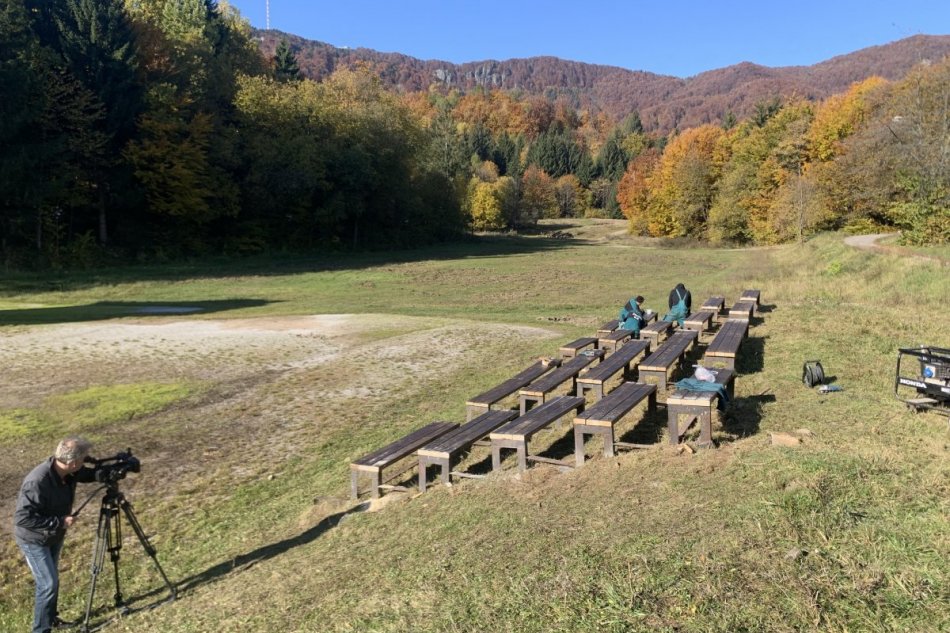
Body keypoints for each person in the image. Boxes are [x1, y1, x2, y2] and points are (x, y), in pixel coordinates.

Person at [14, 437, 97, 633]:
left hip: (53, 536)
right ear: (72, 462)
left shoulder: (67, 471)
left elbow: (87, 474)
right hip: (34, 540)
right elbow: (22, 518)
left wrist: (111, 470)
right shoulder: (38, 481)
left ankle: (51, 619)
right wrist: (59, 522)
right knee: (48, 584)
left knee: (52, 581)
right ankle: (41, 630)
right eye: (83, 459)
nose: (85, 462)